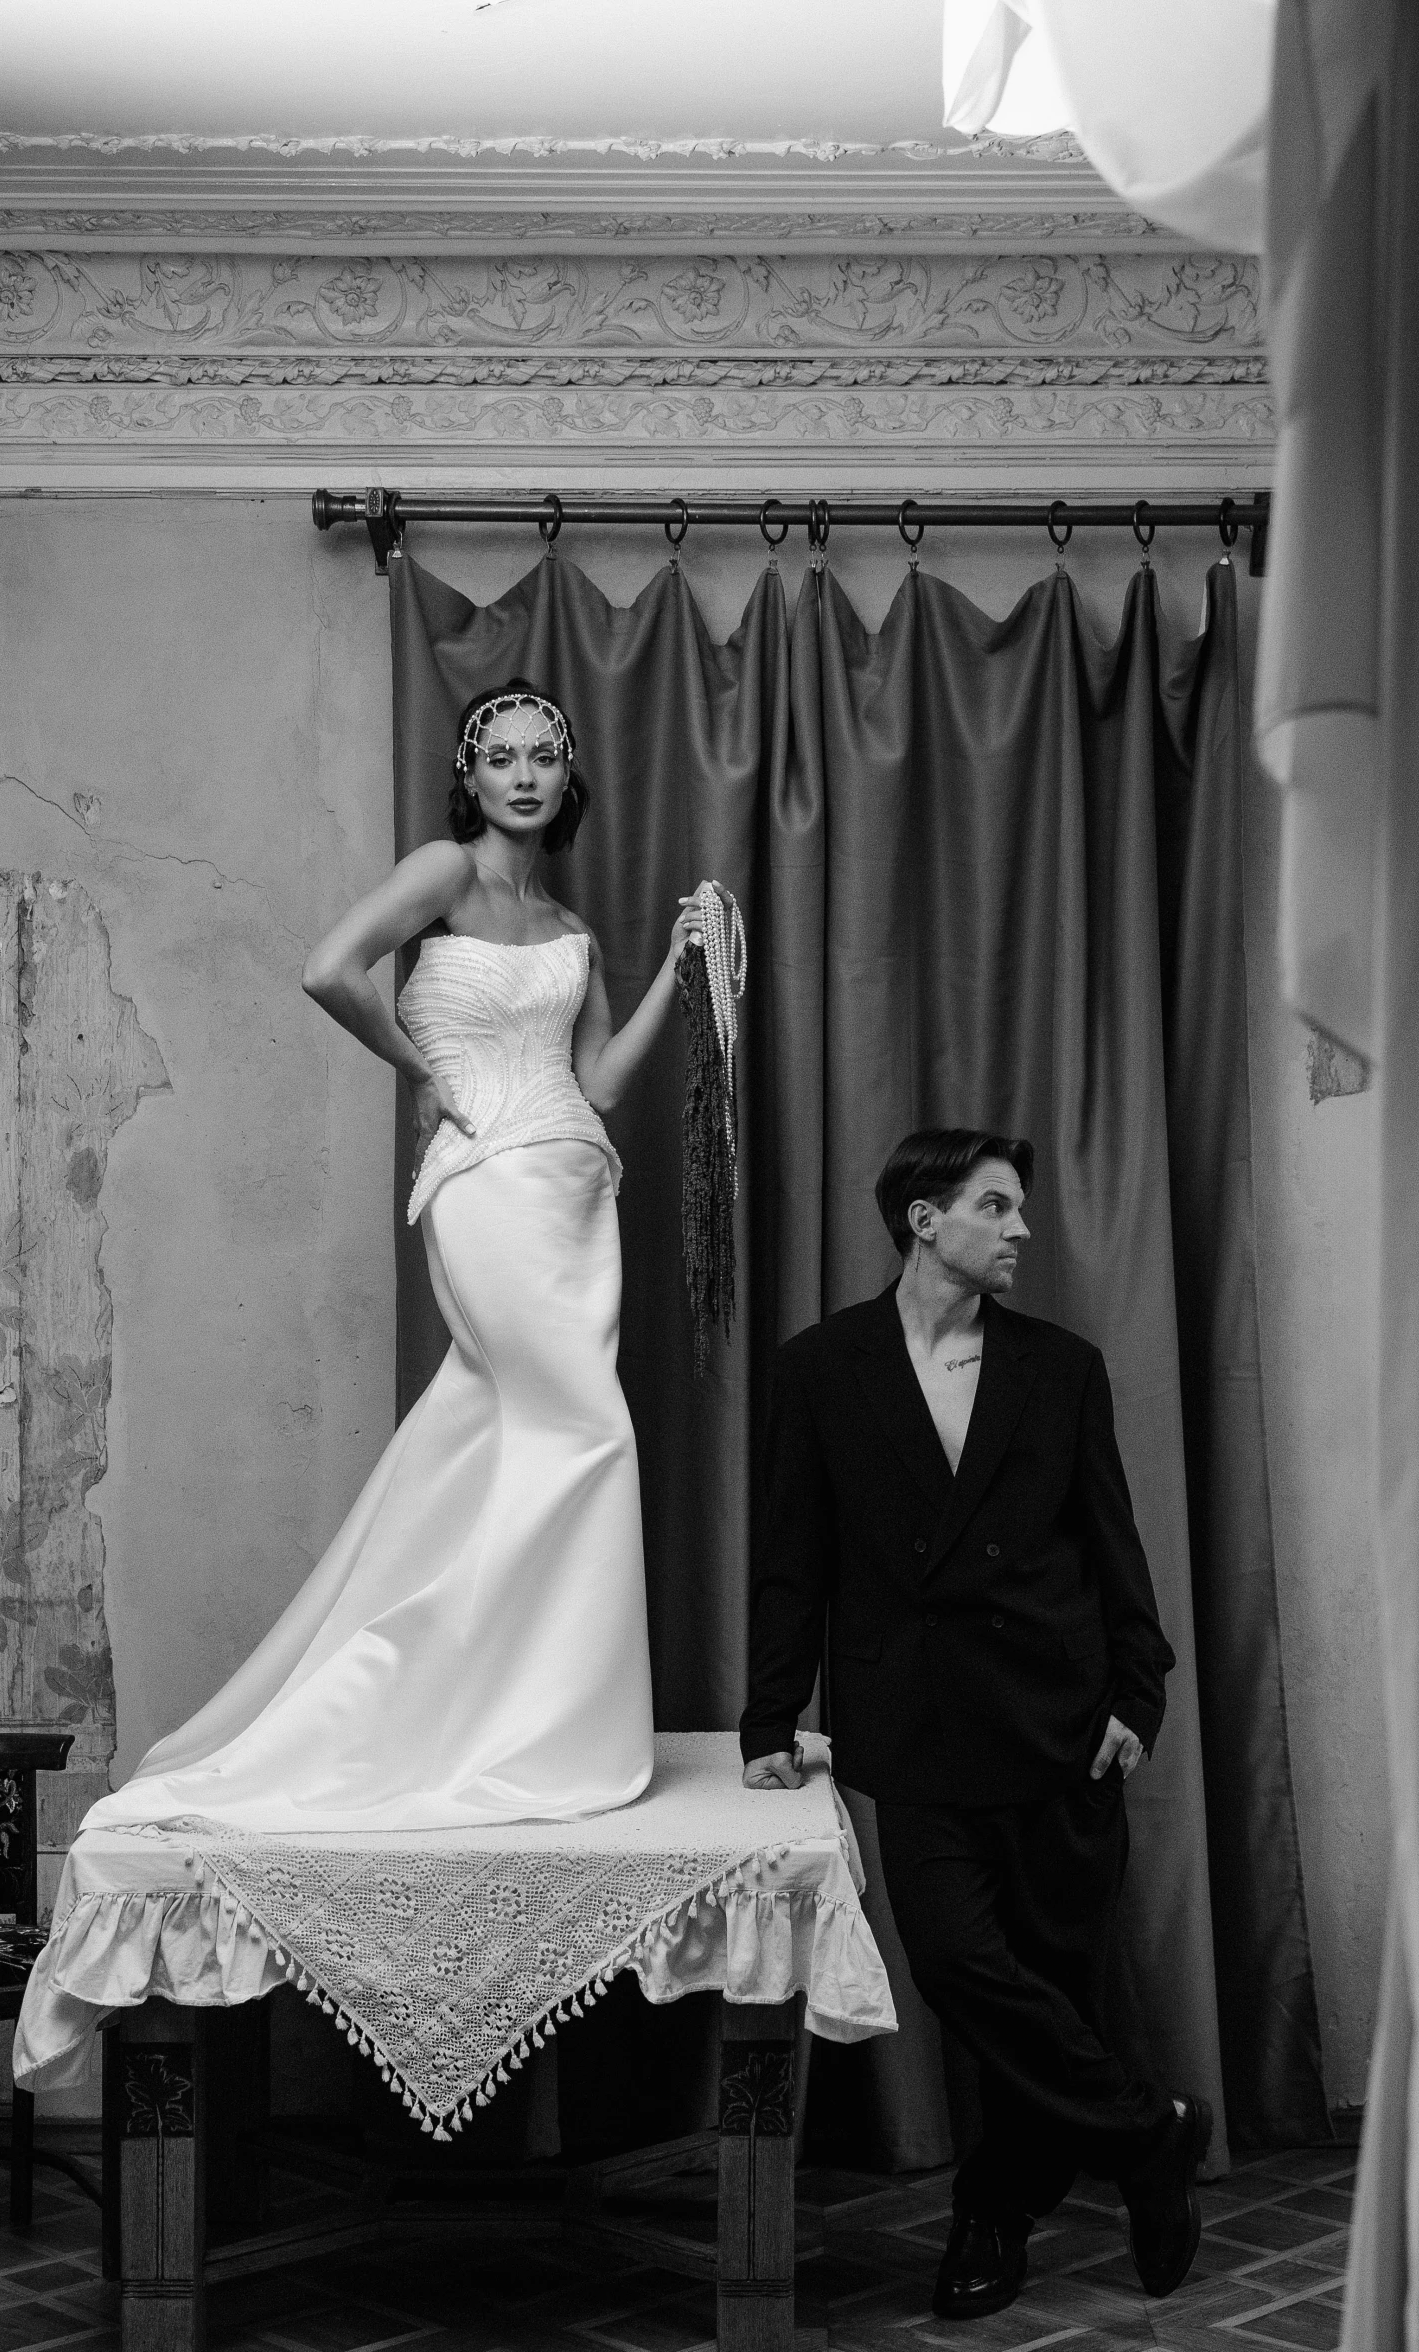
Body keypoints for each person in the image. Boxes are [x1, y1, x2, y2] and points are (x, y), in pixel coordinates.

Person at [84, 679, 716, 1835]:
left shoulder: (570, 929)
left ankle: (473, 1709)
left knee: (490, 1444)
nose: (522, 775)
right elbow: (329, 968)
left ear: (567, 777)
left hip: (578, 1192)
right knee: (589, 1431)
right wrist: (422, 1073)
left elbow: (599, 1084)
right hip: (488, 1186)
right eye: (500, 756)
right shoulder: (443, 871)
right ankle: (561, 1736)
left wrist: (680, 964)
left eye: (541, 757)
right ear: (469, 777)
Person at [740, 1127, 1212, 2315]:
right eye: (995, 1207)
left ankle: (992, 2216)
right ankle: (1148, 2134)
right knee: (960, 1965)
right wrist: (768, 1717)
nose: (1020, 1230)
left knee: (1055, 1984)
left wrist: (1138, 1692)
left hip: (1060, 1718)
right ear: (924, 1219)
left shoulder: (1060, 1368)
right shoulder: (820, 1369)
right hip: (915, 1724)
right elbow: (792, 1562)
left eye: (1019, 1209)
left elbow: (1111, 1543)